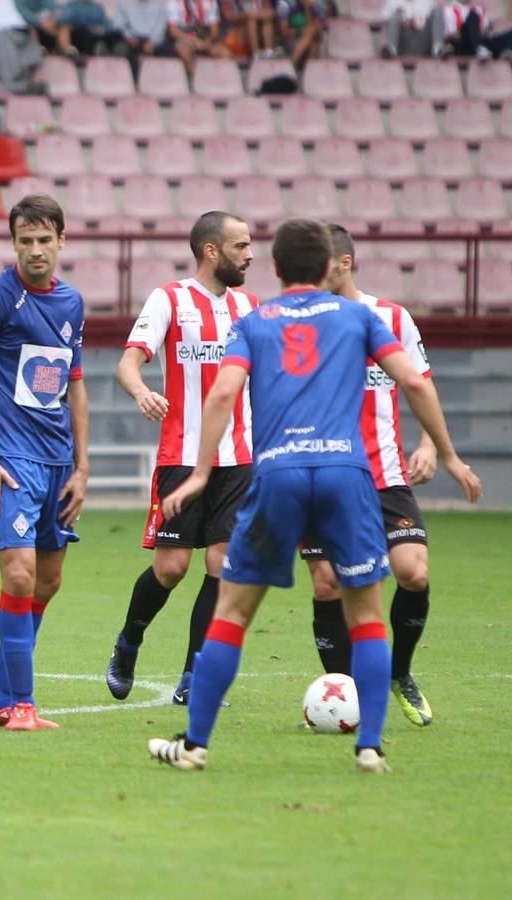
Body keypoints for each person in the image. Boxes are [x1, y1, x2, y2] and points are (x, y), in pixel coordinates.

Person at [147, 218, 482, 775]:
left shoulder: (257, 320)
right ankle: (370, 745)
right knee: (368, 614)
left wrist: (202, 472)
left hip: (277, 473)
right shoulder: (358, 317)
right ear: (330, 267)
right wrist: (447, 455)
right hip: (346, 475)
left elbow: (223, 392)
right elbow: (417, 384)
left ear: (276, 269)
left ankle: (195, 744)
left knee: (231, 612)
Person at [107, 211, 257, 707]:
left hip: (237, 459)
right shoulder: (169, 299)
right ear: (211, 251)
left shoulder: (251, 306)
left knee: (221, 564)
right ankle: (129, 641)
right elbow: (128, 364)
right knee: (171, 568)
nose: (250, 255)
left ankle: (195, 671)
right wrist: (141, 392)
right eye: (240, 246)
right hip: (181, 455)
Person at [0, 193, 89, 732]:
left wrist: (82, 467)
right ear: (13, 243)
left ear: (61, 240)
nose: (35, 250)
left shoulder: (72, 302)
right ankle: (25, 705)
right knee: (18, 575)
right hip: (9, 458)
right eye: (24, 240)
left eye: (44, 239)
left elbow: (74, 386)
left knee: (47, 581)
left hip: (57, 459)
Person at [302, 225, 440, 727]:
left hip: (385, 474)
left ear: (345, 262)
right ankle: (350, 699)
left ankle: (399, 674)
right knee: (326, 586)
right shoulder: (304, 323)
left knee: (414, 572)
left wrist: (427, 444)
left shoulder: (392, 317)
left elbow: (420, 383)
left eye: (323, 264)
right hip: (322, 474)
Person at [0, 0, 47, 94]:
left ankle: (27, 88)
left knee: (2, 83)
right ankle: (28, 88)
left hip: (6, 38)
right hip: (20, 35)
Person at [167, 0, 232, 77]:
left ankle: (220, 82)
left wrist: (207, 41)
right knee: (184, 52)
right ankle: (196, 81)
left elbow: (214, 31)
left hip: (204, 39)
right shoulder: (174, 2)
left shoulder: (210, 2)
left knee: (224, 53)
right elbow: (173, 31)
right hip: (184, 39)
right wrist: (195, 40)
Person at [441, 0, 512, 60]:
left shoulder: (478, 9)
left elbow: (487, 30)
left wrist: (484, 33)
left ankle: (505, 52)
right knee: (473, 16)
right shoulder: (448, 9)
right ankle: (480, 49)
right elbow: (447, 34)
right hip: (460, 43)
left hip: (480, 40)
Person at [112, 0, 171, 80]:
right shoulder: (123, 3)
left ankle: (158, 82)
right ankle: (134, 81)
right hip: (131, 39)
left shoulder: (157, 5)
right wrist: (128, 37)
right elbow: (118, 24)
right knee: (125, 50)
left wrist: (153, 42)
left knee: (169, 51)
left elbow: (160, 27)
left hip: (152, 40)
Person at [275, 0, 328, 68]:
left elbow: (316, 27)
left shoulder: (315, 4)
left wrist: (307, 8)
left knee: (313, 38)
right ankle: (309, 70)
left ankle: (290, 65)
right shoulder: (284, 4)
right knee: (312, 39)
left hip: (309, 37)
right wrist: (301, 31)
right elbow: (284, 32)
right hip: (291, 39)